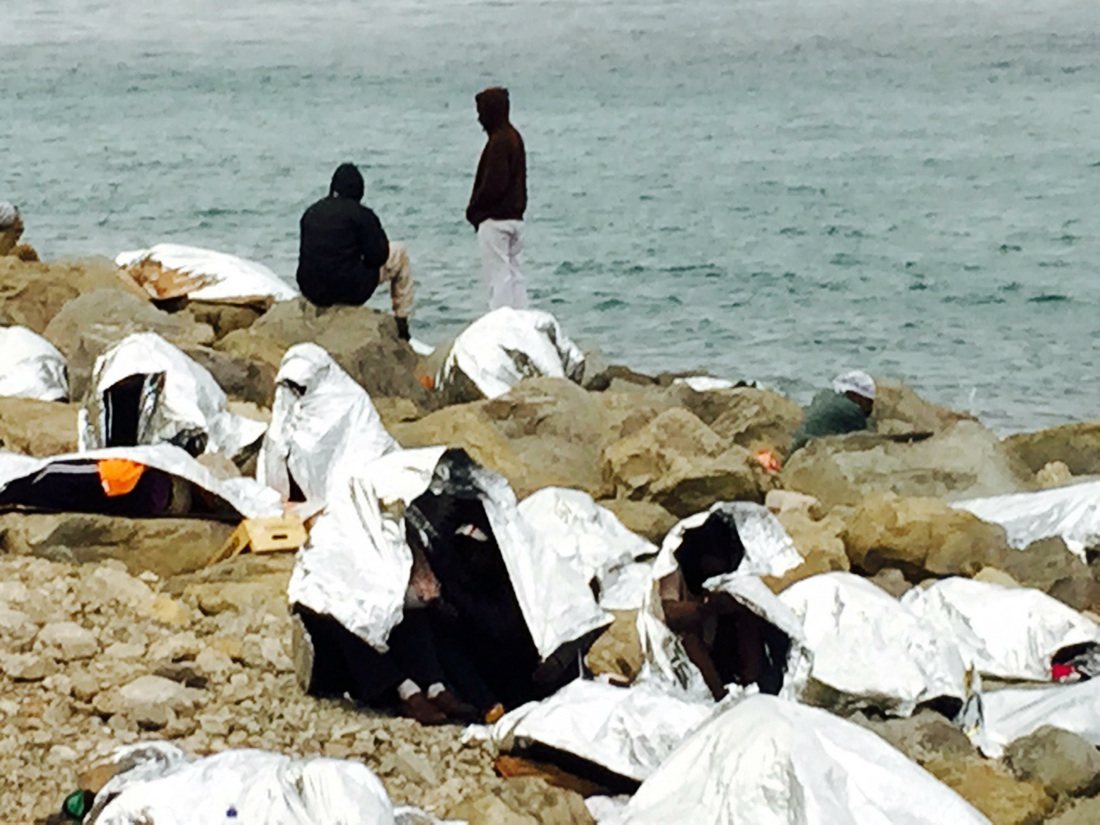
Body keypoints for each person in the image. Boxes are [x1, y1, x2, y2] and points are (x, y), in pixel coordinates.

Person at [659, 516, 790, 700]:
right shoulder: (674, 570)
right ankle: (720, 695)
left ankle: (752, 687)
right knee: (690, 638)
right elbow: (670, 611)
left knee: (747, 618)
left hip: (725, 642)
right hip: (693, 649)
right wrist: (706, 608)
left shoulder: (732, 573)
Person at [296, 164, 415, 340]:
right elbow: (379, 256)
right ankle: (402, 321)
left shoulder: (310, 213)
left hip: (311, 290)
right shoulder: (362, 215)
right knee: (400, 254)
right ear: (359, 190)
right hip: (349, 291)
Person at [466, 87, 528, 310]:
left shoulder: (499, 142)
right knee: (515, 274)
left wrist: (474, 209)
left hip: (495, 221)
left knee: (498, 277)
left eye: (482, 112)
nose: (479, 118)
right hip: (515, 218)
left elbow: (494, 185)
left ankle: (501, 323)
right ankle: (521, 318)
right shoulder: (514, 138)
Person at [789, 369, 876, 453]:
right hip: (812, 449)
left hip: (798, 445)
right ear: (857, 396)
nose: (870, 407)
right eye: (868, 402)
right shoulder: (851, 409)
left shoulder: (824, 394)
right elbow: (865, 440)